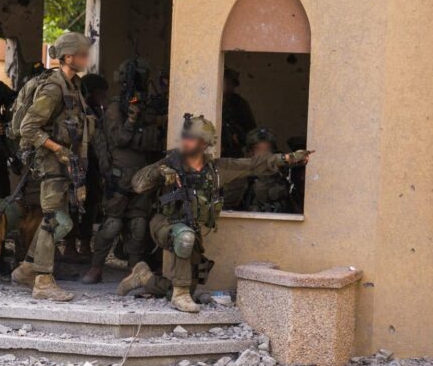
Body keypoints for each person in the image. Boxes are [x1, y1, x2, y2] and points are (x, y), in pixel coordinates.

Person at [116, 114, 312, 312]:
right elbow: (138, 184)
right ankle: (180, 296)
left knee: (190, 282)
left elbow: (253, 164)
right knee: (184, 238)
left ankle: (145, 277)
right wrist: (159, 172)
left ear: (204, 143)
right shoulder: (171, 162)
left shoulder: (215, 170)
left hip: (190, 227)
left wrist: (286, 159)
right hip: (163, 223)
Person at [10, 32, 93, 302]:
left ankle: (27, 269)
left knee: (63, 222)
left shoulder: (73, 86)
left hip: (65, 162)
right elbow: (28, 128)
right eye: (82, 55)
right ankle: (43, 281)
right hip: (51, 162)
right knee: (52, 220)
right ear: (68, 57)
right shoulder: (53, 88)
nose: (87, 59)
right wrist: (58, 150)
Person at [81, 59, 163, 284]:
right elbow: (119, 139)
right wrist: (131, 122)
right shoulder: (116, 108)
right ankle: (96, 267)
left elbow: (153, 142)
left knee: (138, 224)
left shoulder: (145, 106)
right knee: (112, 224)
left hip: (142, 176)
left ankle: (133, 271)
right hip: (118, 177)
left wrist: (145, 123)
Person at [62, 73, 109, 262]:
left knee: (91, 205)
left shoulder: (98, 112)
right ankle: (70, 245)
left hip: (93, 167)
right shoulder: (77, 112)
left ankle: (84, 244)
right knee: (73, 205)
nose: (102, 98)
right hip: (77, 164)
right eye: (100, 94)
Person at [240, 127, 297, 213]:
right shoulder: (242, 178)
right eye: (259, 149)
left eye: (267, 150)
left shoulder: (280, 177)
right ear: (250, 153)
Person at [221, 68, 256, 158]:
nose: (229, 86)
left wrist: (240, 137)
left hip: (232, 152)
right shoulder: (211, 100)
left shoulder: (239, 103)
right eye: (227, 82)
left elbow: (251, 130)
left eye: (231, 84)